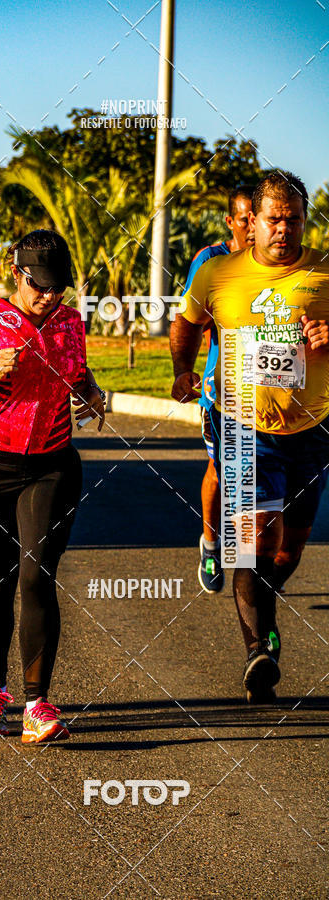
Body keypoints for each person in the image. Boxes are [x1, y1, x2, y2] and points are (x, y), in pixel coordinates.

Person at [0, 229, 106, 742]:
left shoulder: (71, 322)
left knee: (37, 577)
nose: (49, 296)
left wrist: (94, 394)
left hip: (52, 464)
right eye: (40, 286)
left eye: (58, 287)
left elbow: (79, 373)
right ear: (17, 275)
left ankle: (38, 705)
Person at [171, 170, 329, 703]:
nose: (285, 229)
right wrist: (181, 370)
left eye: (295, 219)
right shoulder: (218, 273)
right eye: (274, 219)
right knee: (254, 542)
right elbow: (186, 322)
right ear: (253, 222)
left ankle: (263, 605)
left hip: (313, 428)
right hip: (242, 421)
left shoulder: (326, 273)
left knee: (288, 553)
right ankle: (258, 652)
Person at [182, 186, 255, 593]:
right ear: (231, 221)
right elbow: (191, 318)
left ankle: (249, 560)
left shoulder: (278, 263)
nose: (250, 227)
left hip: (272, 390)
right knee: (225, 470)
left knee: (260, 476)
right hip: (222, 387)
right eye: (242, 219)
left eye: (254, 219)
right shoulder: (212, 260)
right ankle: (212, 543)